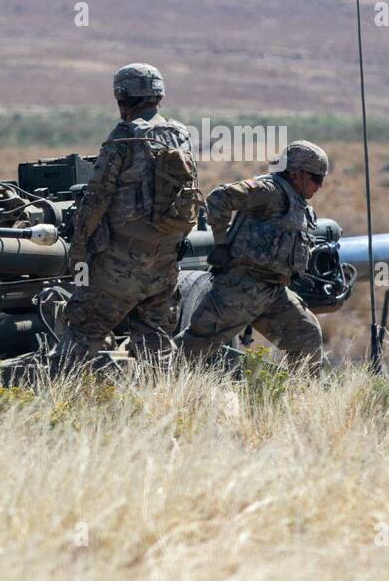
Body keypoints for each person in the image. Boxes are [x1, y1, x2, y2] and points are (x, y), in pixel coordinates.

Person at [52, 63, 201, 372]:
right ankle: (165, 406)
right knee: (155, 340)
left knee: (83, 331)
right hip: (163, 264)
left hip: (120, 266)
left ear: (122, 97)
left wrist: (78, 250)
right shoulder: (180, 134)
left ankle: (56, 406)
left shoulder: (124, 136)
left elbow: (96, 198)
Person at [182, 140, 330, 375]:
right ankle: (152, 387)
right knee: (191, 349)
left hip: (273, 292)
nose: (319, 186)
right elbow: (219, 197)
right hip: (240, 289)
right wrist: (221, 244)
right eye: (316, 178)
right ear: (297, 173)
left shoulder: (296, 201)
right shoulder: (268, 190)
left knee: (306, 335)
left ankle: (301, 400)